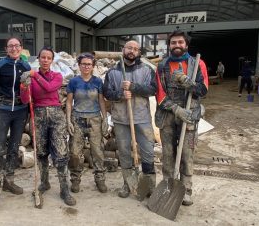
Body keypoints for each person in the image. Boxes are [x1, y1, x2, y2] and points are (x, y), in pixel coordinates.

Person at [155, 30, 208, 206]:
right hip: (168, 115)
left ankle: (186, 190)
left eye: (180, 42)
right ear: (169, 45)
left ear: (186, 45)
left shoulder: (198, 64)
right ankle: (168, 186)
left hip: (189, 115)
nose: (176, 45)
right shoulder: (162, 65)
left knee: (187, 154)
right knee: (168, 154)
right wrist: (175, 108)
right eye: (173, 43)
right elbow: (159, 93)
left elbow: (203, 91)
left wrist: (186, 81)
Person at [20, 46, 76, 206]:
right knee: (41, 152)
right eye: (42, 57)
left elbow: (50, 88)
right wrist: (24, 86)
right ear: (38, 59)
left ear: (52, 60)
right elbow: (25, 100)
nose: (45, 60)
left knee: (60, 153)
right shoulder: (32, 77)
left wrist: (34, 76)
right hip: (38, 115)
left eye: (48, 58)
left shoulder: (57, 76)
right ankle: (44, 182)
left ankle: (64, 189)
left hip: (56, 115)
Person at [103, 40, 157, 198]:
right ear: (123, 49)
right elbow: (107, 93)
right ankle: (128, 184)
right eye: (129, 48)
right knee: (125, 153)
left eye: (135, 49)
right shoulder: (112, 72)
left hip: (142, 118)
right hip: (120, 119)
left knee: (147, 152)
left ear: (139, 52)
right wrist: (120, 94)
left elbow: (153, 89)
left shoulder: (147, 70)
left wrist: (134, 87)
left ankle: (149, 186)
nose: (132, 51)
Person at [0, 37, 31, 195]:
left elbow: (28, 88)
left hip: (21, 111)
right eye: (10, 46)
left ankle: (9, 180)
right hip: (2, 109)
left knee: (14, 146)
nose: (14, 48)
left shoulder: (25, 65)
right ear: (6, 49)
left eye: (17, 46)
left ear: (21, 48)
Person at [66, 53, 108, 194]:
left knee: (97, 151)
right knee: (75, 153)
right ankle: (75, 179)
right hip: (77, 119)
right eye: (83, 64)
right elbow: (69, 102)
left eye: (89, 64)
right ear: (79, 65)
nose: (86, 66)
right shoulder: (74, 82)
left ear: (93, 66)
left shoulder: (97, 82)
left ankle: (100, 179)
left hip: (95, 119)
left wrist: (105, 119)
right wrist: (68, 120)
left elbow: (101, 101)